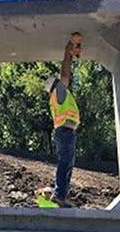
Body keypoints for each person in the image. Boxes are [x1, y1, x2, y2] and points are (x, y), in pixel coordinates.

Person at [42, 33, 82, 208]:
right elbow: (65, 73)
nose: (62, 82)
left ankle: (60, 195)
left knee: (67, 164)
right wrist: (68, 52)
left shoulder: (59, 95)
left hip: (65, 132)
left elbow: (66, 76)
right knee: (65, 163)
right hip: (65, 132)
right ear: (55, 84)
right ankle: (59, 195)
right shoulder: (59, 91)